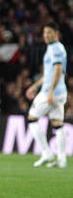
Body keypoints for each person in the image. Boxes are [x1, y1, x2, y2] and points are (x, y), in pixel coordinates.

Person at [26, 22, 68, 168]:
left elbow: (57, 70)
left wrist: (50, 91)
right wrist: (34, 86)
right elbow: (49, 73)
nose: (46, 35)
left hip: (51, 92)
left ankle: (46, 152)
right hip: (60, 92)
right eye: (44, 33)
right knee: (57, 124)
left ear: (56, 33)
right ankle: (62, 159)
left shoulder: (56, 48)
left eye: (49, 32)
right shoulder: (54, 47)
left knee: (32, 118)